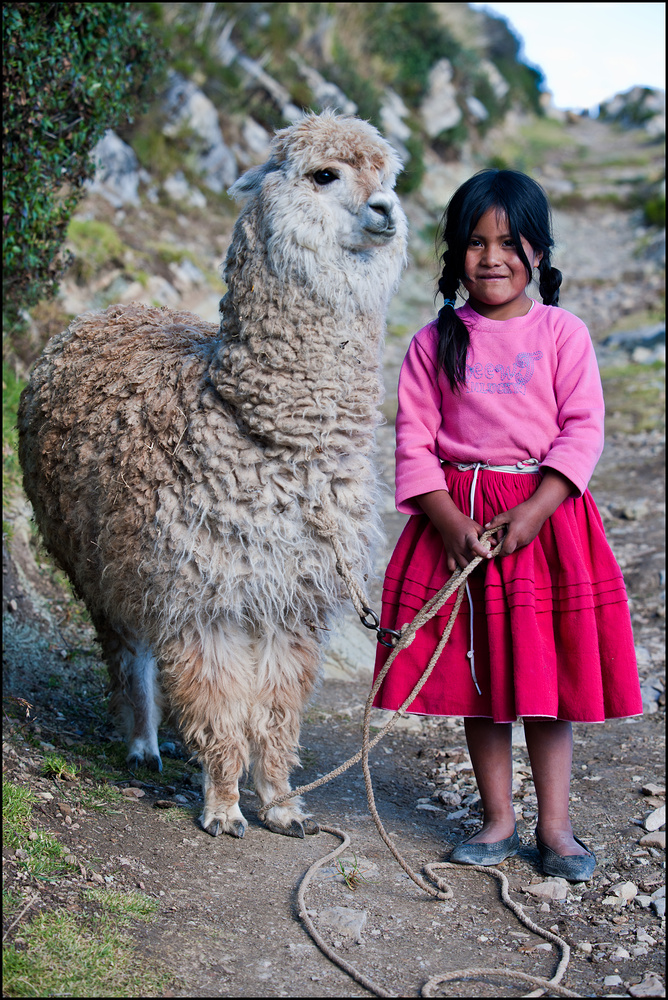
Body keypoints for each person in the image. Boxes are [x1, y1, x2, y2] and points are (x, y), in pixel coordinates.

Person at [372, 168, 642, 881]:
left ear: (539, 252)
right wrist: (450, 523)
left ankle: (556, 828)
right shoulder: (434, 344)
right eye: (474, 243)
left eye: (508, 242)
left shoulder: (563, 334)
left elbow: (583, 430)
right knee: (481, 678)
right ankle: (498, 819)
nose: (491, 257)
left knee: (546, 679)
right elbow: (414, 444)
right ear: (453, 254)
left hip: (548, 524)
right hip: (461, 528)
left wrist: (536, 505)